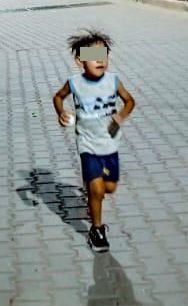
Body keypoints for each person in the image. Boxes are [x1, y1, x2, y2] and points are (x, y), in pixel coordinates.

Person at [52, 31, 136, 253]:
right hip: (87, 144)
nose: (100, 60)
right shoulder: (74, 83)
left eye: (104, 55)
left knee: (109, 187)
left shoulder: (113, 81)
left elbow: (129, 101)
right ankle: (97, 230)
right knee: (97, 189)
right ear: (80, 60)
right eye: (93, 55)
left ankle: (94, 193)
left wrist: (120, 116)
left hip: (109, 144)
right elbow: (58, 97)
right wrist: (61, 112)